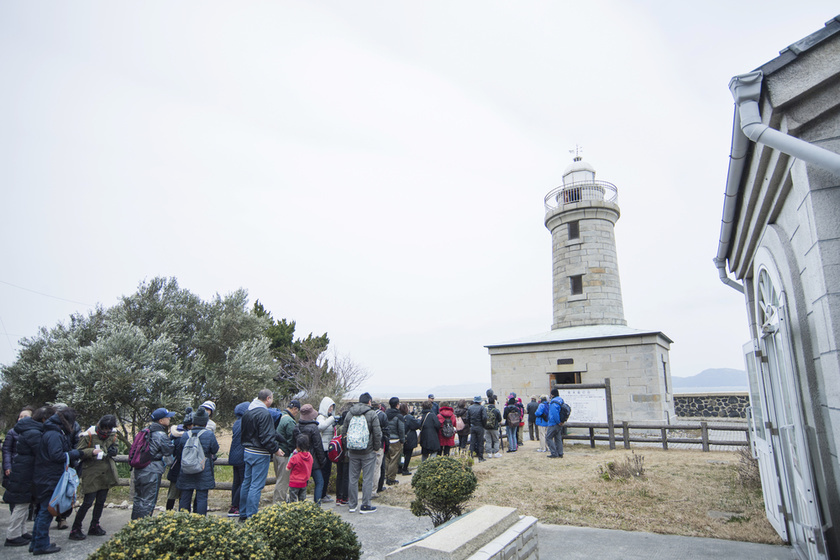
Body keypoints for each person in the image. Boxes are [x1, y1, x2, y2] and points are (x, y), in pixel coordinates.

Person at [31, 407, 82, 555]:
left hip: (45, 476)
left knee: (43, 511)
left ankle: (36, 543)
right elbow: (57, 455)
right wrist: (76, 453)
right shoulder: (54, 434)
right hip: (49, 478)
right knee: (47, 512)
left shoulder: (51, 431)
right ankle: (41, 545)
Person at [3, 406, 51, 548]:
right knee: (21, 505)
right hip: (25, 473)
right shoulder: (33, 432)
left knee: (24, 504)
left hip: (24, 471)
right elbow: (39, 451)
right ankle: (12, 535)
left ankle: (21, 531)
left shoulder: (28, 430)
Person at [69, 415, 119, 541]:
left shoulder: (113, 435)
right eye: (104, 428)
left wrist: (114, 450)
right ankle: (76, 528)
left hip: (106, 472)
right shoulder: (88, 435)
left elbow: (115, 446)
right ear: (100, 426)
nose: (106, 431)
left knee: (101, 501)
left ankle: (94, 525)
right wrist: (91, 451)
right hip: (91, 472)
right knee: (87, 502)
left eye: (109, 429)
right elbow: (78, 452)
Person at [240, 389, 283, 521]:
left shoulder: (248, 412)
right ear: (268, 398)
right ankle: (252, 516)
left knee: (246, 483)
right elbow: (266, 436)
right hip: (259, 453)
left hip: (247, 451)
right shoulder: (264, 413)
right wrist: (276, 449)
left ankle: (242, 513)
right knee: (256, 485)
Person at [339, 392, 381, 514]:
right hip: (368, 451)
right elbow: (377, 433)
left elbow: (344, 431)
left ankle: (352, 505)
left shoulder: (350, 413)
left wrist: (347, 448)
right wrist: (376, 447)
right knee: (367, 478)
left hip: (353, 451)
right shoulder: (372, 414)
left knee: (353, 478)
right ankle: (366, 505)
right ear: (369, 402)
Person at [132, 407, 176, 520]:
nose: (169, 419)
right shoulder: (160, 434)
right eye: (168, 417)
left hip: (139, 469)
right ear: (161, 421)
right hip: (152, 470)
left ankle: (134, 524)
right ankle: (144, 526)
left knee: (138, 498)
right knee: (149, 500)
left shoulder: (145, 431)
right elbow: (169, 450)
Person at [176, 407, 219, 514]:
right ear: (205, 422)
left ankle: (182, 521)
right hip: (203, 468)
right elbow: (215, 449)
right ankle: (200, 522)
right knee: (202, 497)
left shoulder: (186, 434)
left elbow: (180, 449)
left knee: (185, 496)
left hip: (186, 469)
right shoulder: (209, 434)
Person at [293, 404, 327, 504]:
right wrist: (323, 461)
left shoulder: (297, 427)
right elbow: (318, 446)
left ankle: (302, 505)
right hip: (314, 461)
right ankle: (317, 506)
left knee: (303, 484)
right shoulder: (313, 428)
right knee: (319, 482)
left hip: (300, 460)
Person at [165, 408, 193, 511]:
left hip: (175, 469)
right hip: (181, 469)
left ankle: (168, 513)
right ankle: (179, 514)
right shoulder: (184, 438)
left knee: (172, 494)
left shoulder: (176, 436)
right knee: (181, 495)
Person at [272, 399, 299, 504]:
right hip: (284, 455)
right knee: (283, 481)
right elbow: (292, 439)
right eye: (297, 411)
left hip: (276, 452)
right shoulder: (289, 421)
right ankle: (279, 503)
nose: (297, 413)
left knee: (279, 478)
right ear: (294, 409)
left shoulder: (280, 417)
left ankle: (281, 500)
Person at [227, 401, 249, 517]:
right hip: (242, 455)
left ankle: (234, 505)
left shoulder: (236, 423)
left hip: (233, 455)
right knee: (244, 481)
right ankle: (236, 506)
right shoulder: (245, 422)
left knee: (236, 482)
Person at [316, 397, 337, 502]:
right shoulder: (321, 417)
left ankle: (324, 493)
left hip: (328, 448)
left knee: (327, 472)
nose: (331, 409)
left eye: (332, 407)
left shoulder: (328, 418)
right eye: (330, 406)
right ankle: (322, 495)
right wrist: (332, 419)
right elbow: (320, 427)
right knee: (324, 472)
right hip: (323, 449)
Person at [333, 403, 352, 505]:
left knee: (339, 475)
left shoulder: (336, 427)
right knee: (346, 477)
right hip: (345, 455)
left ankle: (338, 497)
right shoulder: (346, 428)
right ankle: (345, 497)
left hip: (337, 454)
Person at [286, 434, 313, 503]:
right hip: (304, 482)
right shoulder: (310, 456)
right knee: (303, 501)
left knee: (293, 502)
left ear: (298, 447)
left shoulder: (295, 457)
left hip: (294, 482)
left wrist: (292, 455)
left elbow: (287, 468)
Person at [384, 397, 405, 485]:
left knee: (386, 459)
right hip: (396, 440)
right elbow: (401, 430)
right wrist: (402, 440)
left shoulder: (385, 414)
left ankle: (385, 476)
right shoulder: (399, 416)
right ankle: (391, 478)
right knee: (394, 460)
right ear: (397, 405)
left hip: (386, 439)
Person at [546, 388, 566, 459]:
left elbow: (555, 413)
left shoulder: (553, 402)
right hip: (559, 423)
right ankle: (560, 453)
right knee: (558, 438)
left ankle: (554, 453)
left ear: (552, 394)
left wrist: (558, 422)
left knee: (548, 437)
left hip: (553, 423)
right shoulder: (560, 400)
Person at [400, 403, 419, 475]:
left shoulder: (399, 416)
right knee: (408, 455)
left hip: (401, 438)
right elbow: (416, 425)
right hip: (409, 438)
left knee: (401, 454)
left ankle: (400, 467)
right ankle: (405, 469)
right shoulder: (409, 417)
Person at [467, 397, 487, 462]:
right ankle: (480, 457)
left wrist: (470, 425)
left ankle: (471, 456)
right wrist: (483, 425)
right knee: (480, 442)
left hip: (472, 426)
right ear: (480, 401)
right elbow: (484, 417)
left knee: (472, 442)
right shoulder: (482, 408)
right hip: (480, 426)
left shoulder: (470, 408)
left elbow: (467, 418)